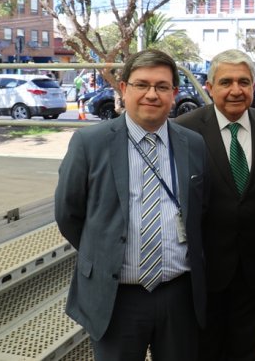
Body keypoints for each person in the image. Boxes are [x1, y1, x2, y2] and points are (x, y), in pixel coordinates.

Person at [54, 49, 208, 360]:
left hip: (179, 294)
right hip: (116, 298)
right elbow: (68, 213)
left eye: (162, 86)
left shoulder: (192, 144)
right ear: (124, 88)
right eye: (142, 84)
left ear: (174, 94)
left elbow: (201, 211)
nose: (152, 94)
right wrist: (103, 253)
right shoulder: (90, 144)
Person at [175, 49, 255, 361]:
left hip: (254, 271)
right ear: (210, 87)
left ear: (254, 85)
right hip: (202, 271)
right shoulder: (183, 130)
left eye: (244, 82)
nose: (236, 90)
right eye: (226, 82)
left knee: (246, 351)